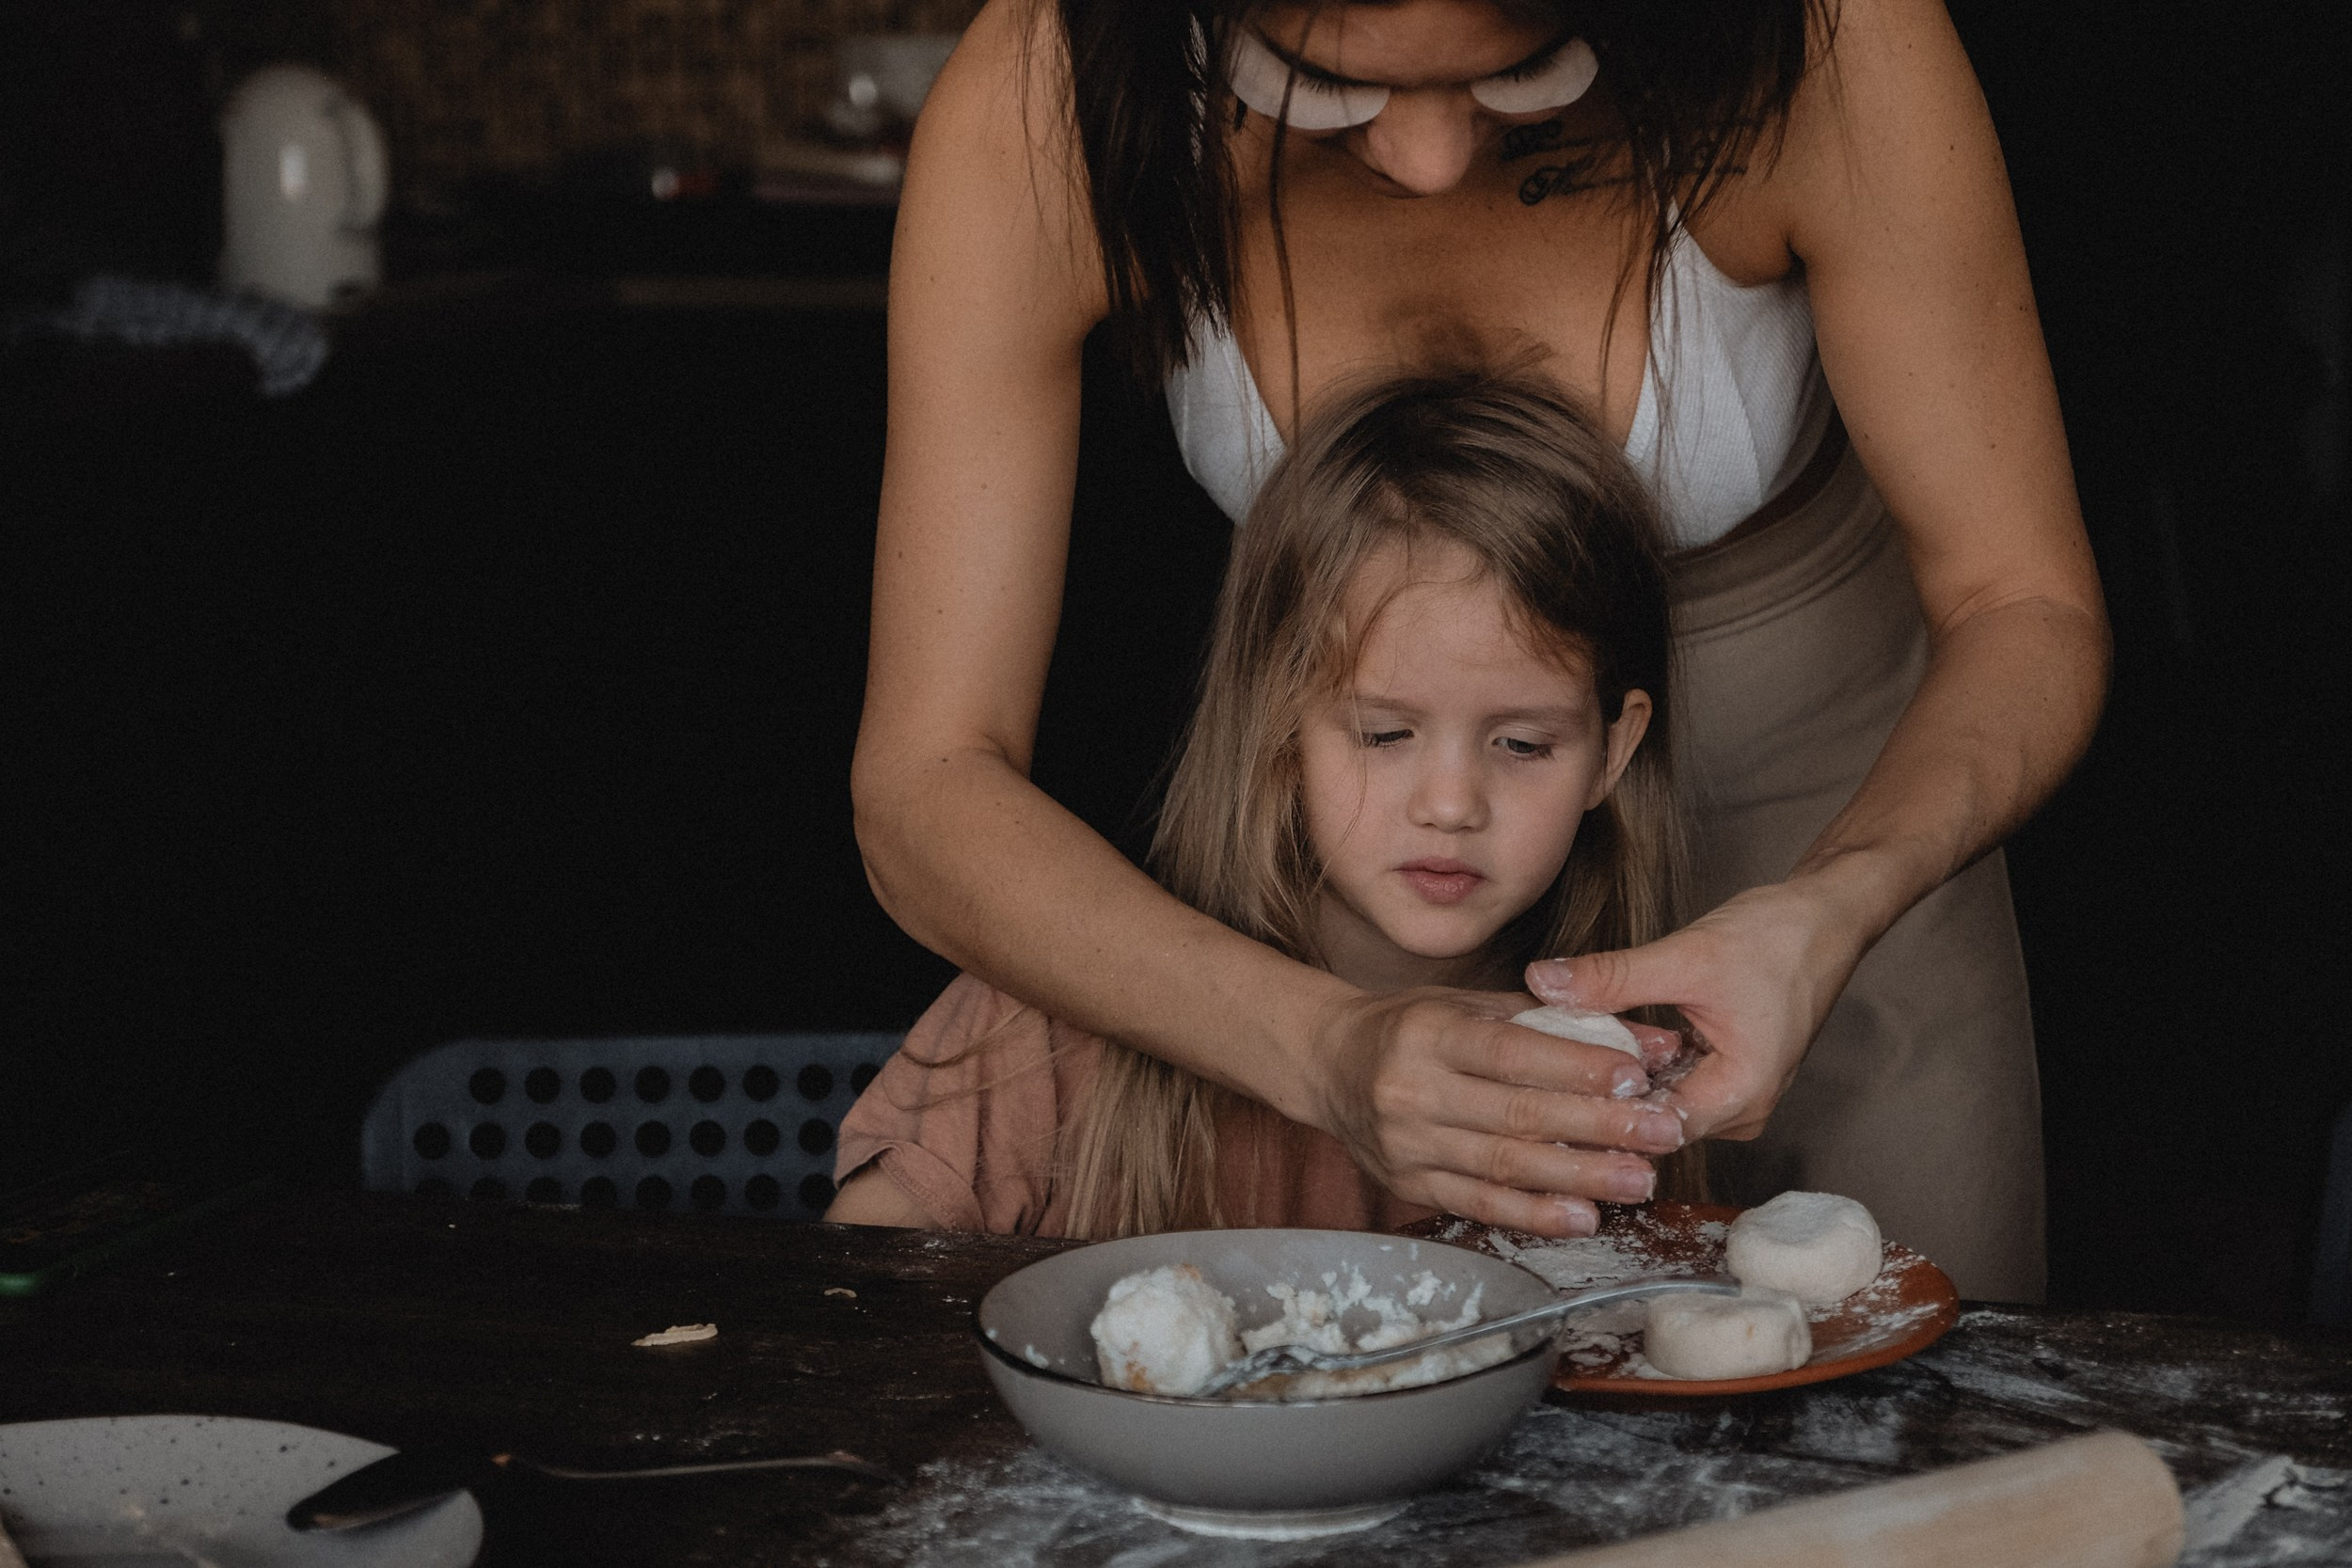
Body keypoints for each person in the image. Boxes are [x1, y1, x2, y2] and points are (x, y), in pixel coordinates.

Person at [851, 0, 2108, 1296]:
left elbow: (2025, 603)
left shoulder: (1829, 41)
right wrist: (1329, 1046)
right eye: (1324, 89)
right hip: (1361, 950)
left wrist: (1834, 906)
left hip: (1836, 831)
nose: (1434, 155)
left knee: (1908, 1429)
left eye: (1528, 73)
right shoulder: (1050, 100)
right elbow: (924, 781)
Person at [829, 372, 1688, 1234]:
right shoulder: (1045, 1009)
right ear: (1278, 726)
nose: (1452, 804)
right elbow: (852, 1309)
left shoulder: (1615, 1075)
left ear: (1612, 749)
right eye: (1383, 734)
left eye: (1523, 744)